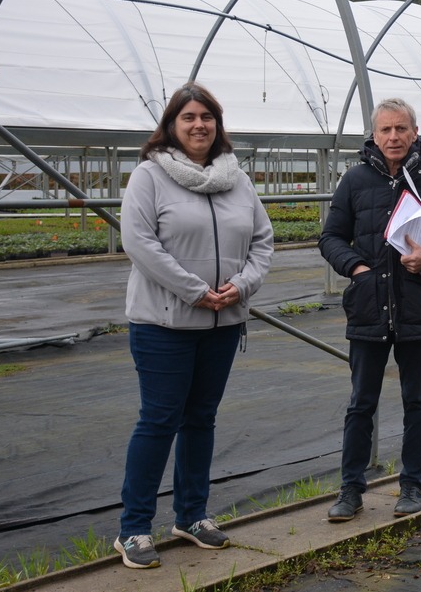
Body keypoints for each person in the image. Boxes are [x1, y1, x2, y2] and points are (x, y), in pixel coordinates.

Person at [114, 83, 274, 570]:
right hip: (164, 325)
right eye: (189, 117)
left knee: (201, 418)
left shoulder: (237, 180)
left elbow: (263, 241)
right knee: (159, 421)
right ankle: (134, 529)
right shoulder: (149, 176)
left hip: (223, 323)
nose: (199, 124)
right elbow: (139, 243)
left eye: (207, 116)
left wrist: (240, 286)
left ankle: (191, 516)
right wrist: (194, 290)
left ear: (217, 125)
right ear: (171, 126)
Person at [320, 98, 421, 521]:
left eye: (401, 129)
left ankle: (411, 486)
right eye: (385, 130)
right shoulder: (354, 181)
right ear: (374, 134)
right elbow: (330, 237)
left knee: (416, 400)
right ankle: (350, 490)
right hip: (368, 304)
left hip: (415, 305)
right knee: (360, 403)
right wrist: (357, 267)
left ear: (414, 132)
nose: (393, 137)